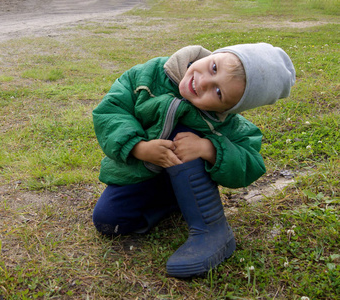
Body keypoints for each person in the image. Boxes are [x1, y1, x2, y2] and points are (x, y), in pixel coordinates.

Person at [92, 43, 296, 277]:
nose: (203, 83)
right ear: (214, 55)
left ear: (230, 109)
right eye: (213, 67)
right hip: (141, 173)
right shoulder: (149, 74)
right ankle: (174, 203)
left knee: (185, 131)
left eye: (218, 93)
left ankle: (212, 230)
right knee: (108, 220)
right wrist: (138, 147)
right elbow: (111, 110)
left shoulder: (227, 124)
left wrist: (210, 148)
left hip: (187, 174)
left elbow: (251, 162)